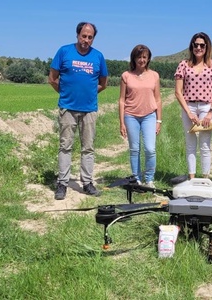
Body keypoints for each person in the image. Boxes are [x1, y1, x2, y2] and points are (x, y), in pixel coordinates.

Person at [49, 22, 108, 200]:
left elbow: (103, 83)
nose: (86, 40)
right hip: (68, 108)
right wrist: (66, 94)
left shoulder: (98, 56)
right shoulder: (64, 52)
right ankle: (62, 183)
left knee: (88, 147)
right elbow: (52, 78)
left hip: (89, 109)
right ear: (77, 35)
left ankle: (87, 182)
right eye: (84, 36)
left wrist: (89, 94)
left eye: (90, 37)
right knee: (65, 146)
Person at [174, 32, 212, 180]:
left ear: (207, 47)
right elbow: (178, 91)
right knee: (190, 144)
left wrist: (210, 112)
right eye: (196, 45)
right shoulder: (183, 65)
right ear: (192, 46)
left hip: (207, 107)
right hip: (189, 107)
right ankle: (192, 178)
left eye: (202, 45)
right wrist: (188, 112)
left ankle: (206, 178)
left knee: (205, 145)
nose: (199, 48)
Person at [118, 44, 162, 187]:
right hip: (131, 116)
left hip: (149, 116)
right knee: (134, 149)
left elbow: (158, 99)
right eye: (139, 57)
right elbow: (122, 100)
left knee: (150, 148)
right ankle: (136, 178)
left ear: (148, 59)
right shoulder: (126, 76)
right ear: (134, 58)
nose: (142, 60)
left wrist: (159, 120)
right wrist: (122, 122)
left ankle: (149, 179)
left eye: (144, 57)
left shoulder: (155, 75)